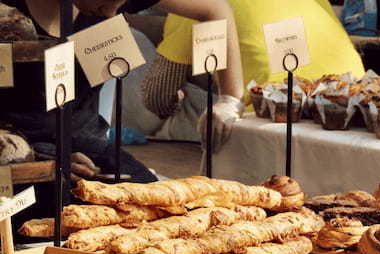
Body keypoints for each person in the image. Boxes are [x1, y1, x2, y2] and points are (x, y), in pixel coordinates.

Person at [0, 0, 244, 239]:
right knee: (37, 233)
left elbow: (215, 8)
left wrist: (230, 98)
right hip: (14, 152)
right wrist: (42, 157)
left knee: (163, 219)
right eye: (109, 3)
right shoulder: (9, 13)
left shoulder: (108, 5)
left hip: (87, 146)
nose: (111, 14)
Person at [140, 0, 365, 147]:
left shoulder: (196, 7)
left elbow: (157, 97)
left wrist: (183, 100)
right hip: (354, 104)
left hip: (268, 120)